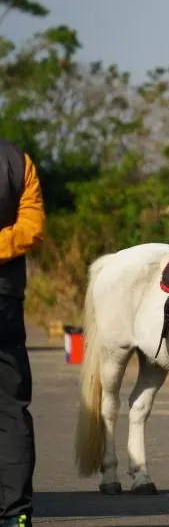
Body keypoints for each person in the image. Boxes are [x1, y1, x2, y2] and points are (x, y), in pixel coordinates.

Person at [0, 138, 45, 527]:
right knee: (11, 407)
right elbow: (31, 227)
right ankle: (16, 515)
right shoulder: (17, 160)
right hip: (4, 297)